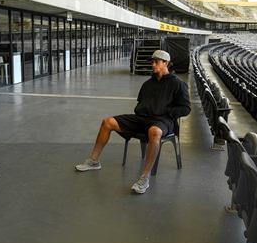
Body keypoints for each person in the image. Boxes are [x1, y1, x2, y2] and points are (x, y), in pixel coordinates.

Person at [75, 50, 191, 194]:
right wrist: (141, 109)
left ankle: (145, 177)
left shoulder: (178, 84)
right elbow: (140, 103)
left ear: (166, 63)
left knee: (154, 132)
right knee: (107, 122)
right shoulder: (148, 84)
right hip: (142, 118)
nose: (152, 64)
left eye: (156, 62)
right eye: (152, 62)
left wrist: (167, 112)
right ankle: (94, 161)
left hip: (163, 120)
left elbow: (186, 108)